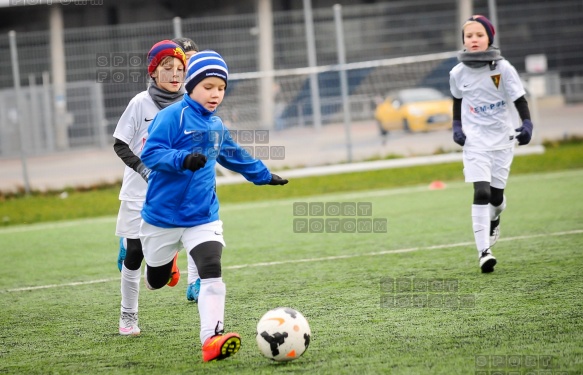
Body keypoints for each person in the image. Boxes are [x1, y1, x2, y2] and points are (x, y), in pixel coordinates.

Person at [139, 50, 288, 362]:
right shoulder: (172, 117)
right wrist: (181, 159)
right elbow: (151, 154)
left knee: (211, 269)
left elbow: (232, 154)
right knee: (155, 281)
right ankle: (166, 265)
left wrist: (262, 175)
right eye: (208, 87)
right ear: (191, 85)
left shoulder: (217, 125)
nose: (215, 94)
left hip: (202, 215)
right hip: (162, 217)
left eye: (220, 88)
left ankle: (211, 340)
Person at [113, 39, 187, 335]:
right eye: (167, 68)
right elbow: (119, 144)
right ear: (154, 72)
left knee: (158, 279)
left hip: (172, 198)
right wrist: (144, 169)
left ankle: (168, 263)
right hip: (137, 196)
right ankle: (127, 317)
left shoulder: (188, 105)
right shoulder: (139, 103)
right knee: (133, 256)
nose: (174, 74)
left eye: (180, 69)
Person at [449, 15, 534, 273]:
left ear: (489, 38)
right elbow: (457, 100)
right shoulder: (457, 72)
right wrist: (456, 126)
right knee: (482, 193)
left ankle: (495, 217)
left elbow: (519, 98)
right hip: (475, 142)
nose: (473, 40)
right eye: (469, 36)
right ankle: (484, 252)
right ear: (464, 40)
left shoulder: (503, 68)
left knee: (496, 198)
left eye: (479, 35)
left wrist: (527, 124)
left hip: (502, 140)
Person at [172, 37, 204, 303]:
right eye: (186, 59)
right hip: (166, 171)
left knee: (200, 224)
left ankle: (195, 281)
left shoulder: (200, 91)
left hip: (195, 172)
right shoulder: (163, 95)